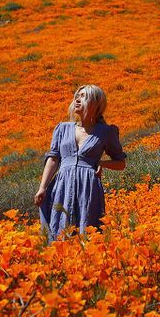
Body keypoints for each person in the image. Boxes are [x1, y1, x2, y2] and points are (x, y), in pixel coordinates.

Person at [34, 85, 127, 242]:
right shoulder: (62, 129)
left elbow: (121, 163)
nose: (77, 100)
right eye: (77, 96)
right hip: (62, 186)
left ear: (96, 103)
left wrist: (102, 163)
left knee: (88, 231)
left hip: (88, 187)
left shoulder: (106, 132)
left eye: (83, 96)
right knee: (59, 229)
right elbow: (53, 159)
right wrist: (42, 187)